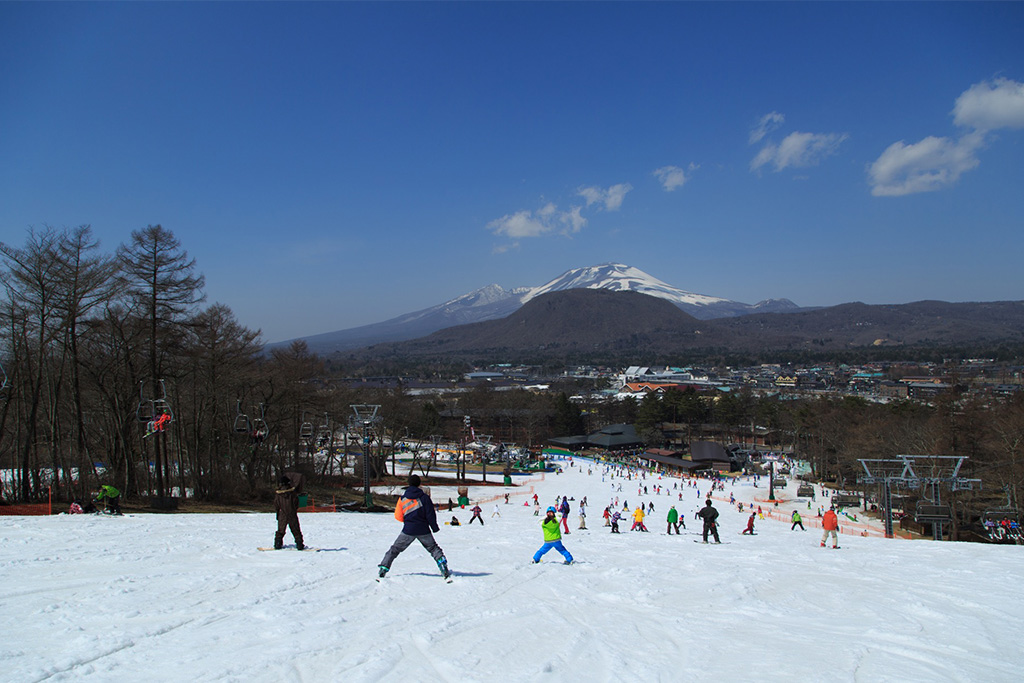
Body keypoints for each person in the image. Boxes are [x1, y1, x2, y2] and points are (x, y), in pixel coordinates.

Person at [379, 474, 450, 580]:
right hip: (423, 530)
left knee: (395, 549)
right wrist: (434, 527)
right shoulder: (424, 498)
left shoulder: (402, 499)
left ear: (409, 483)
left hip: (408, 530)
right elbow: (430, 514)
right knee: (433, 548)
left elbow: (398, 516)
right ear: (419, 484)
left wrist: (408, 522)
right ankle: (442, 564)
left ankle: (384, 567)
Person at [274, 472, 304, 550]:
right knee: (296, 529)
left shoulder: (278, 494)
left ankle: (277, 544)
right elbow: (296, 503)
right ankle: (299, 544)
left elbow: (276, 504)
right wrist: (294, 509)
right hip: (291, 513)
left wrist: (278, 513)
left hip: (282, 513)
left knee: (280, 529)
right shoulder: (292, 493)